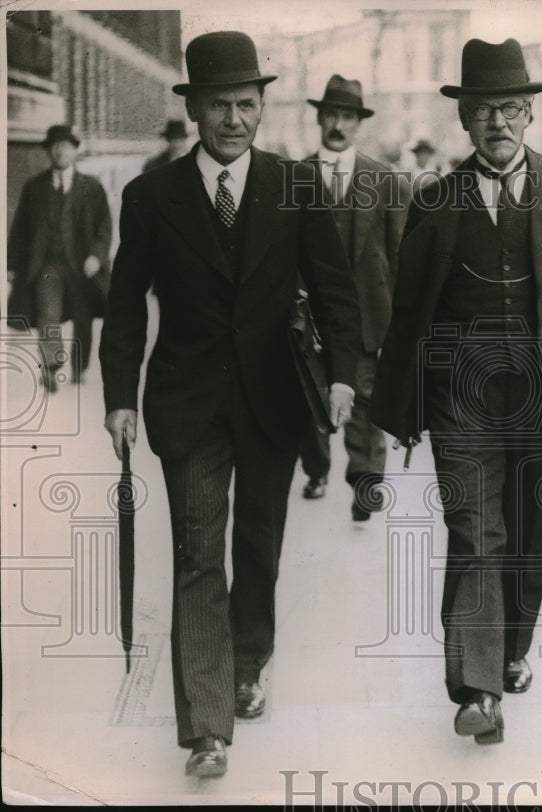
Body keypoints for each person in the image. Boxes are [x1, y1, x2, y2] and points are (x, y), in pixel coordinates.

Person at [371, 37, 542, 744]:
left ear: (530, 113)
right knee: (474, 534)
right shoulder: (434, 202)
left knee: (527, 533)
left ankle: (511, 648)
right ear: (464, 118)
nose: (497, 122)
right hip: (459, 394)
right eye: (482, 110)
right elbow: (409, 313)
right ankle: (477, 689)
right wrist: (399, 405)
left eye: (510, 108)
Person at [99, 30, 361, 778]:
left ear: (262, 107)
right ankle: (207, 728)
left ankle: (249, 663)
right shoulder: (150, 197)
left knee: (258, 546)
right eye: (220, 105)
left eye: (247, 104)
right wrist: (119, 397)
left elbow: (337, 294)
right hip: (187, 404)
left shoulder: (295, 185)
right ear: (195, 110)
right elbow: (124, 305)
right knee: (196, 554)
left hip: (275, 400)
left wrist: (342, 377)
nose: (235, 119)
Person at [298, 74, 410, 519]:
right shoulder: (294, 177)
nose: (338, 125)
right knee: (311, 396)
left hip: (366, 316)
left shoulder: (384, 180)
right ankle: (317, 471)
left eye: (347, 116)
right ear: (320, 119)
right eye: (331, 115)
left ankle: (365, 483)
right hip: (310, 318)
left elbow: (398, 254)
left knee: (364, 398)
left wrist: (399, 321)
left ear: (358, 123)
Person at [6, 125, 111, 390]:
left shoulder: (91, 187)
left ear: (75, 151)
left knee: (83, 317)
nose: (60, 151)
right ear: (48, 151)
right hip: (47, 265)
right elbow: (20, 229)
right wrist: (12, 265)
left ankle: (79, 367)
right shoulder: (35, 187)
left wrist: (96, 256)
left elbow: (104, 227)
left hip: (81, 266)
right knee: (48, 314)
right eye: (54, 146)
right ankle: (51, 366)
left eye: (65, 146)